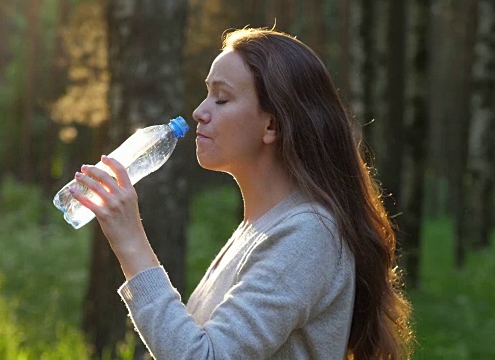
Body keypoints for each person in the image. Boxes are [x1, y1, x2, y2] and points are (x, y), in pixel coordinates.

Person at [70, 27, 413, 359]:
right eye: (207, 94)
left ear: (272, 125)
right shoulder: (263, 228)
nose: (199, 112)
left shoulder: (308, 234)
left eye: (221, 98)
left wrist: (130, 241)